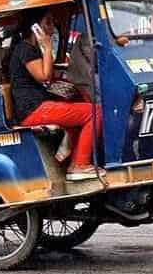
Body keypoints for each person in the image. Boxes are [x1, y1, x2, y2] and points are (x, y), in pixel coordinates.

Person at [9, 10, 100, 181]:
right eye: (48, 24)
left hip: (38, 106)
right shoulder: (26, 49)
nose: (52, 29)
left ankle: (69, 161)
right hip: (34, 109)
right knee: (95, 112)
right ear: (35, 27)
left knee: (82, 106)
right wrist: (48, 46)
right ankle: (80, 165)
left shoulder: (31, 49)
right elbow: (44, 76)